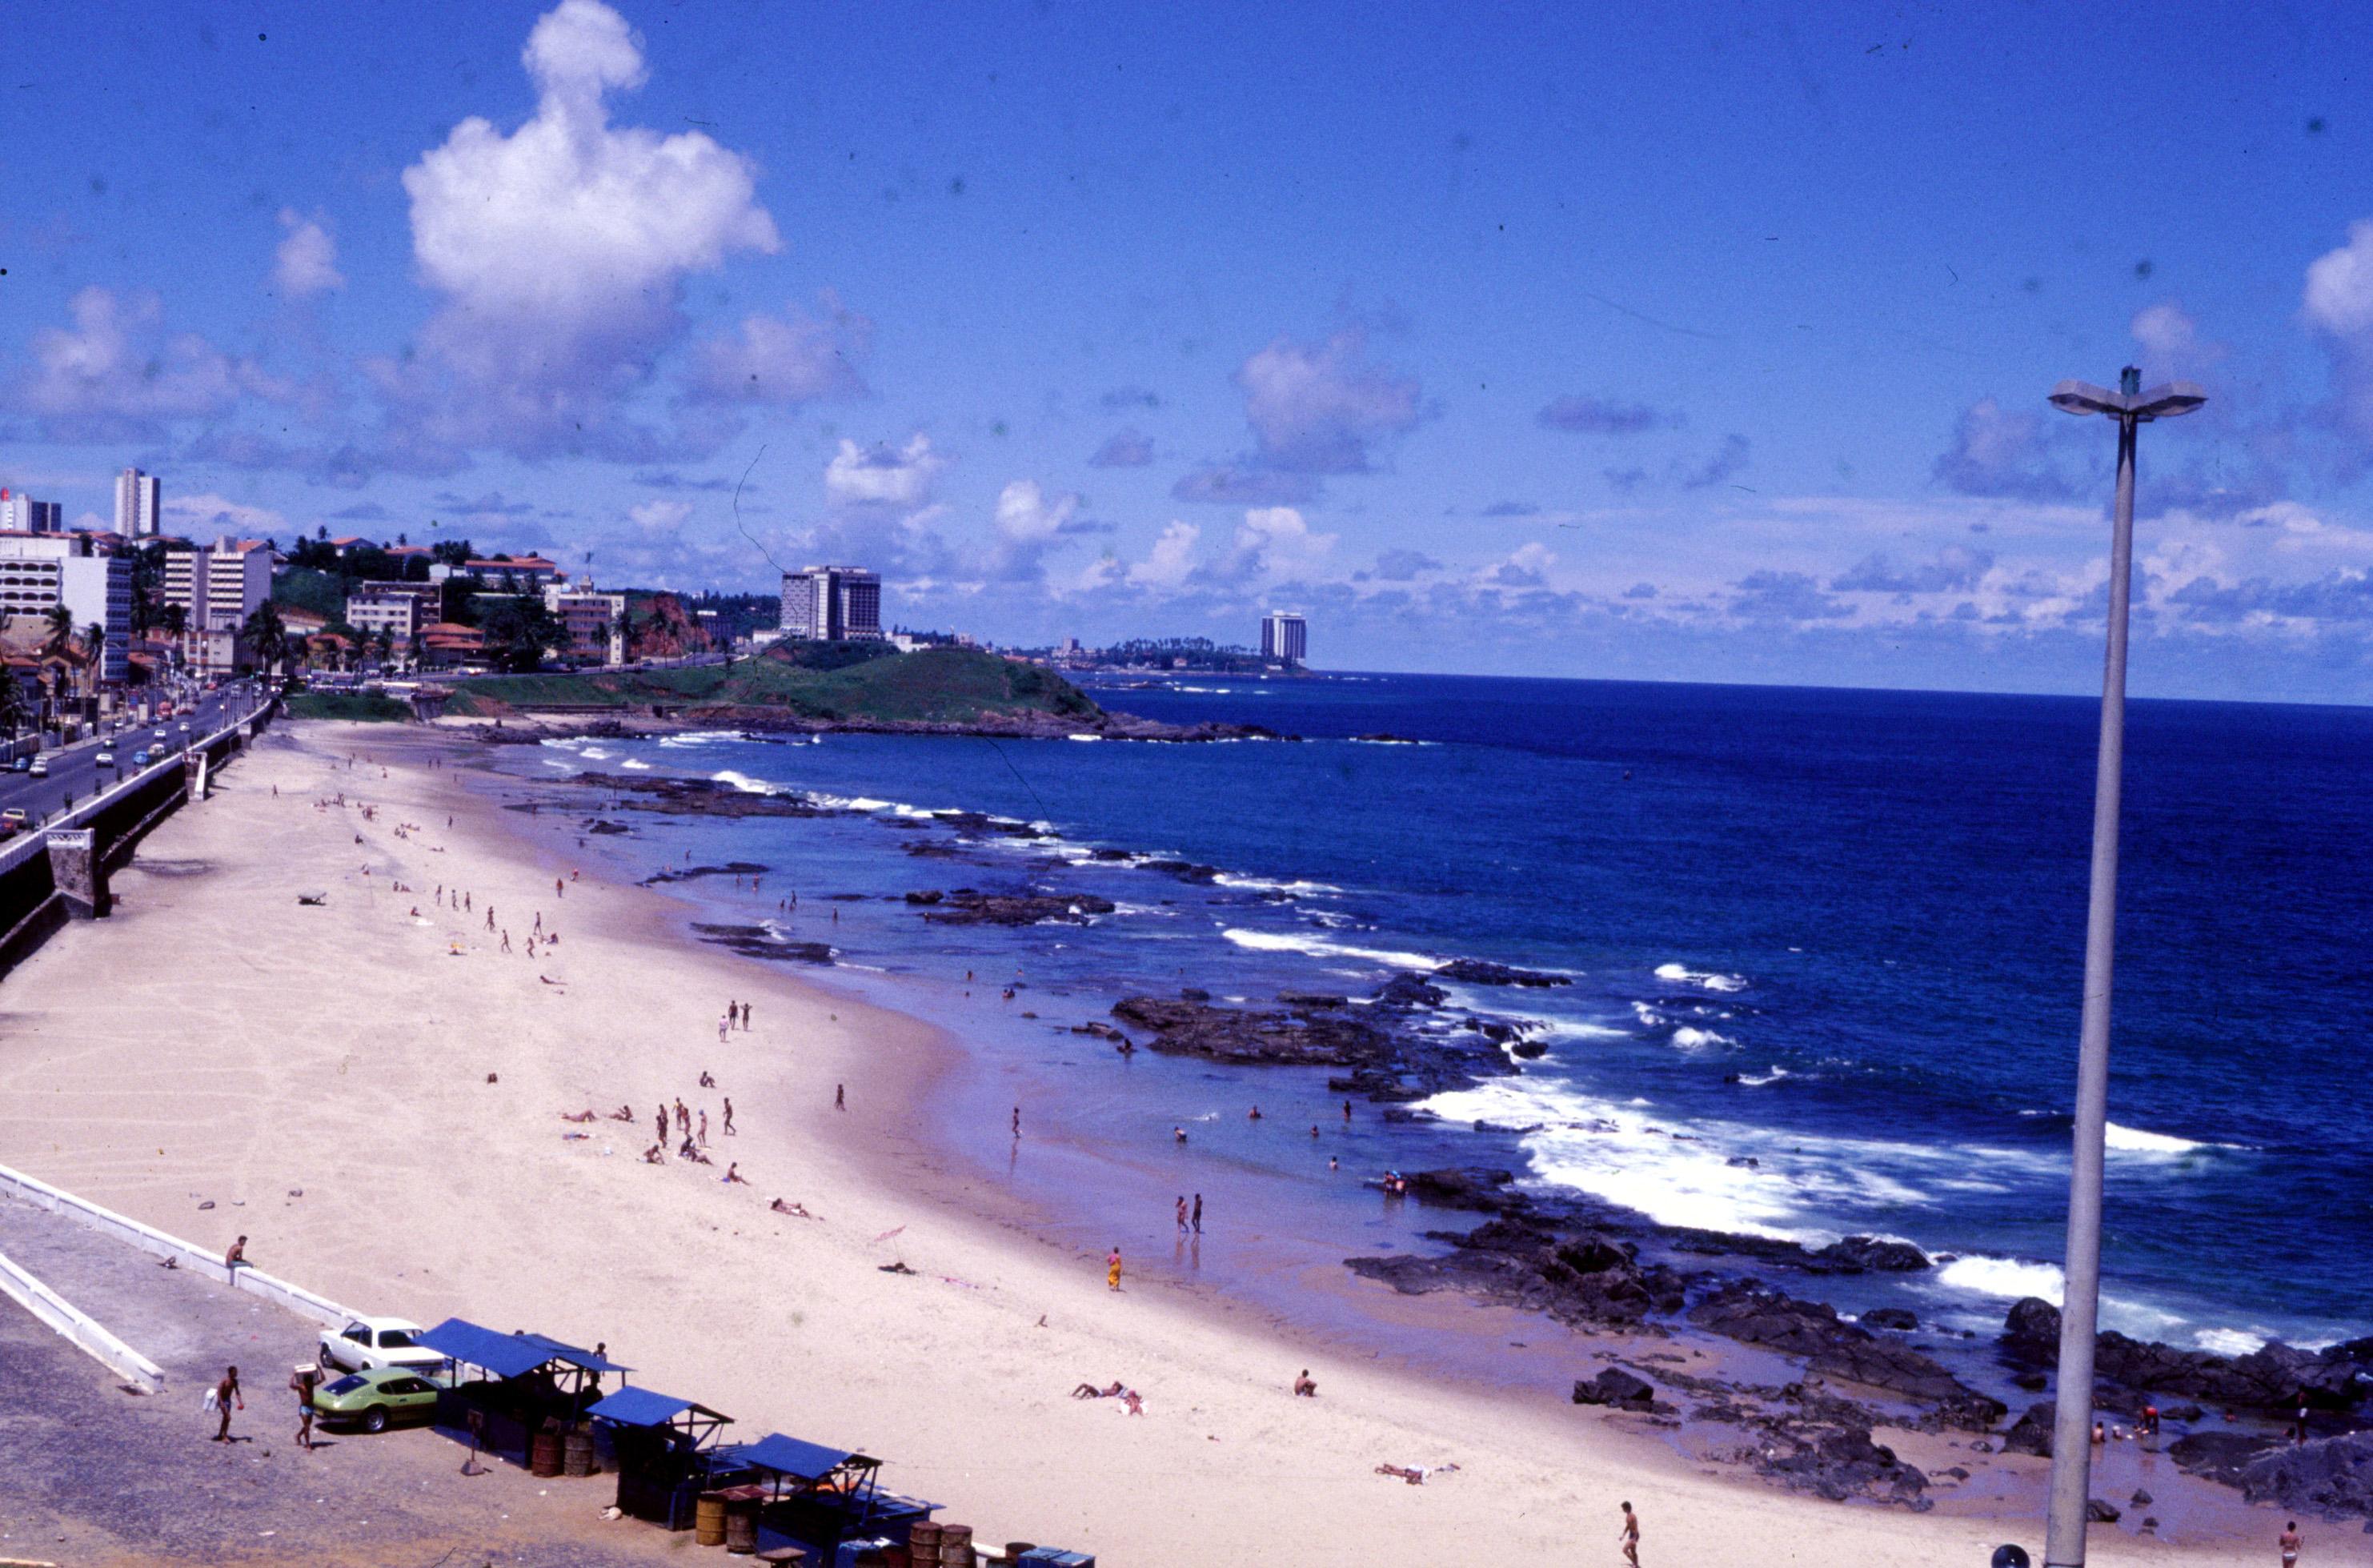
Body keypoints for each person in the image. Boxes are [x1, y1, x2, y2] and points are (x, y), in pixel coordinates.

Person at [291, 1363, 319, 1450]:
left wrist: (320, 1369)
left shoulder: (311, 1386)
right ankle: (308, 1445)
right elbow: (291, 1386)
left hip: (311, 1407)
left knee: (308, 1426)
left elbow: (323, 1379)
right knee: (307, 1427)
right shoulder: (301, 1387)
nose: (310, 1383)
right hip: (304, 1408)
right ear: (305, 1381)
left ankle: (298, 1435)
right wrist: (293, 1375)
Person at [210, 1365, 243, 1442]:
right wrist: (221, 1402)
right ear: (230, 1372)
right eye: (235, 1372)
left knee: (225, 1418)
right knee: (228, 1418)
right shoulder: (224, 1381)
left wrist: (241, 1402)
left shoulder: (235, 1382)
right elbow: (219, 1391)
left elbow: (237, 1392)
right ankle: (225, 1436)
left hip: (228, 1401)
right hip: (222, 1400)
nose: (236, 1374)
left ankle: (220, 1435)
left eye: (237, 1372)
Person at [1619, 1501, 1640, 1567]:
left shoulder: (1632, 1516)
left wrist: (1634, 1538)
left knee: (1625, 1550)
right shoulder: (1628, 1516)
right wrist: (1623, 1535)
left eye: (1623, 1508)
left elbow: (1636, 1527)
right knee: (1633, 1551)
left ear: (1626, 1508)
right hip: (1631, 1535)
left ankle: (1635, 1563)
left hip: (1634, 1535)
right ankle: (1635, 1564)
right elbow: (1628, 1526)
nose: (1622, 1509)